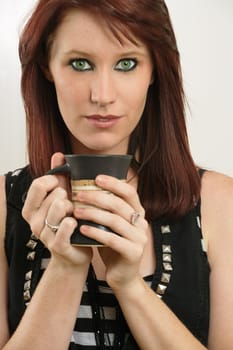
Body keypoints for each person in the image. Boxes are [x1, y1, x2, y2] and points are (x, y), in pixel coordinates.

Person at [0, 0, 232, 349]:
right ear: (47, 67)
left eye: (127, 63)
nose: (102, 95)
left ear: (155, 69)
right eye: (80, 64)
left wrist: (129, 285)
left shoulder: (218, 202)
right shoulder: (4, 204)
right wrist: (65, 268)